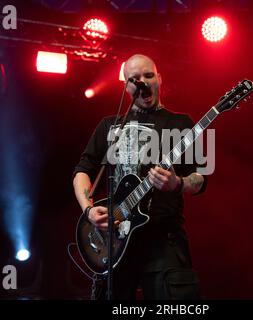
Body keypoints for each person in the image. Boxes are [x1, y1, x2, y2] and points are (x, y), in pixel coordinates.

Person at [72, 54, 207, 299]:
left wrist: (177, 183)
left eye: (148, 75)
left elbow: (201, 179)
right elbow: (82, 171)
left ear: (159, 79)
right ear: (126, 86)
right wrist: (88, 210)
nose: (142, 82)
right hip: (115, 242)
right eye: (135, 78)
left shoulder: (180, 124)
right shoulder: (110, 126)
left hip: (163, 241)